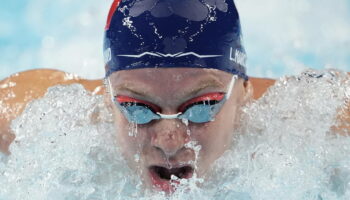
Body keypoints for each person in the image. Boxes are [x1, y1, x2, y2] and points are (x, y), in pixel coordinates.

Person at [0, 0, 348, 193]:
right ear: (108, 100)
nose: (170, 140)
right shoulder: (44, 124)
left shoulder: (306, 117)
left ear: (243, 92)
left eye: (201, 106)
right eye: (137, 109)